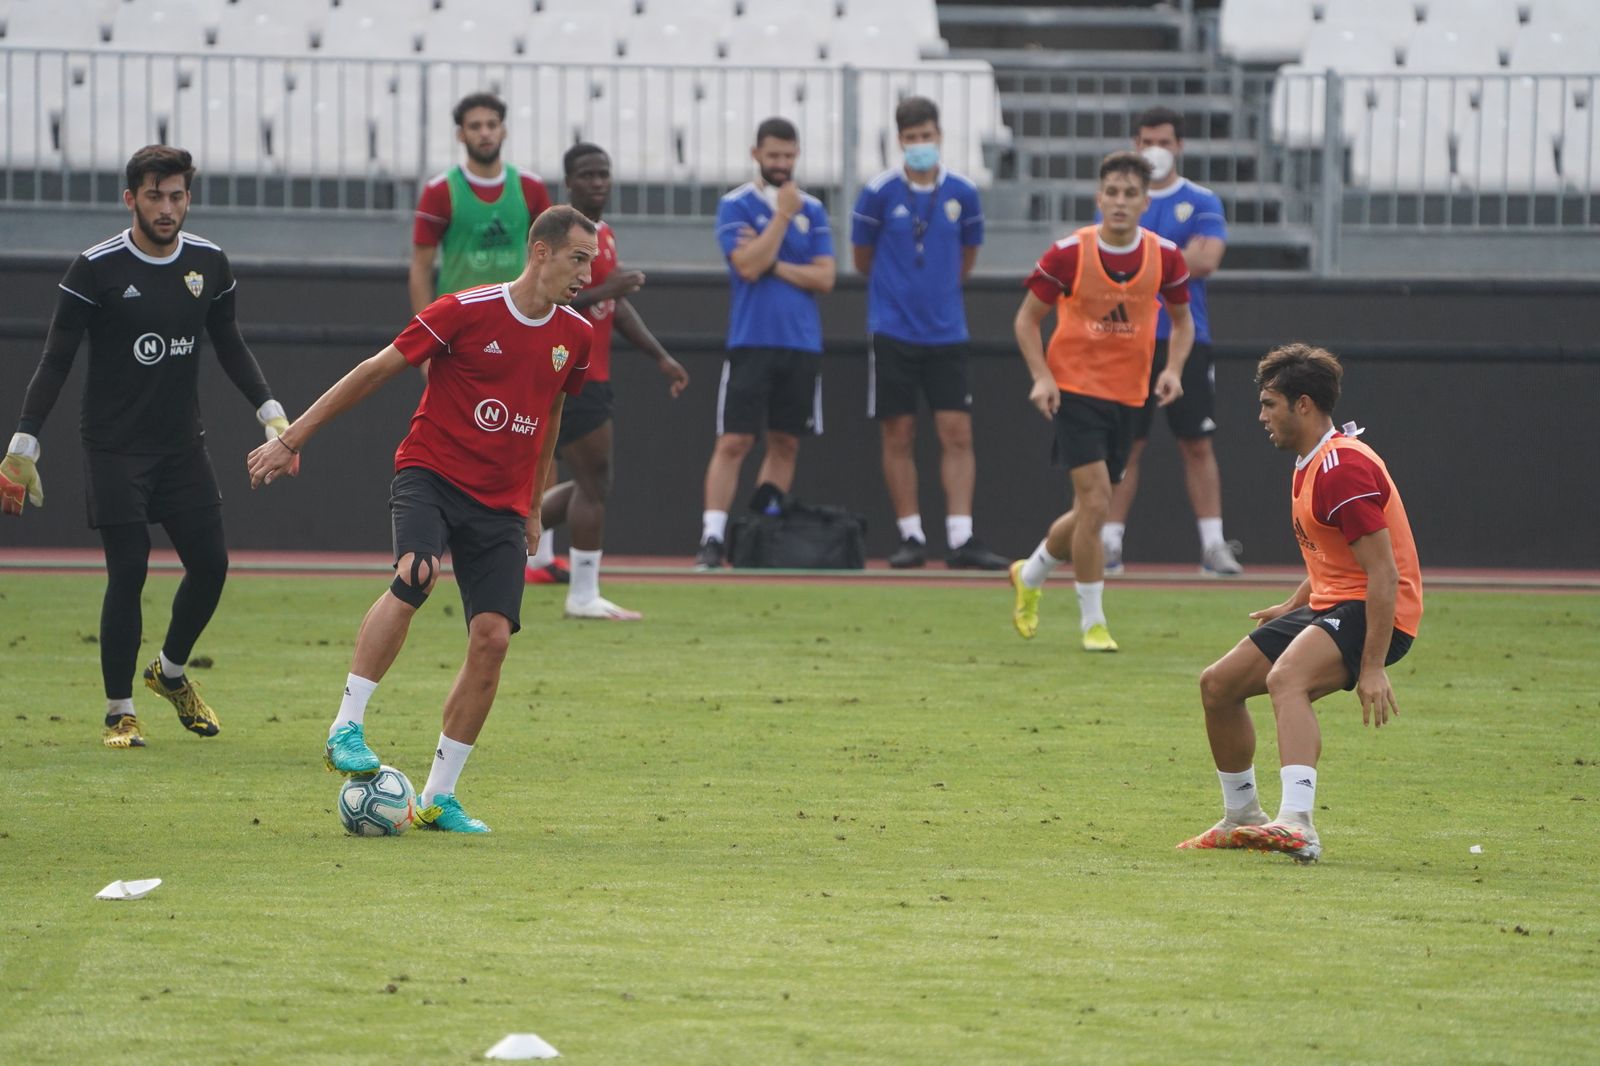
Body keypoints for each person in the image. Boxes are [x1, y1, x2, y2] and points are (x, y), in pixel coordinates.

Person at [247, 206, 597, 833]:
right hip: (431, 474)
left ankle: (437, 797)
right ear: (540, 253)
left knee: (492, 640)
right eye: (578, 258)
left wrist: (533, 503)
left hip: (500, 503)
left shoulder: (578, 334)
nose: (586, 273)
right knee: (415, 574)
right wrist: (291, 439)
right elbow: (373, 372)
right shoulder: (463, 309)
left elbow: (550, 417)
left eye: (591, 261)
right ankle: (345, 727)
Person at [1, 145, 292, 749]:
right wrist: (23, 445)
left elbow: (230, 343)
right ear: (130, 198)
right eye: (155, 195)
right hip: (113, 447)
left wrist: (272, 414)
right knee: (128, 569)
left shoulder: (210, 263)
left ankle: (171, 672)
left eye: (178, 195)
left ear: (189, 197)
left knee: (211, 565)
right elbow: (55, 360)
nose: (168, 207)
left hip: (181, 446)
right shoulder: (95, 268)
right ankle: (119, 712)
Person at [1179, 343, 1422, 863]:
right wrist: (1293, 605)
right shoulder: (1311, 461)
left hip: (1382, 611)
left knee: (1286, 680)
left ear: (1303, 405)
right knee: (1218, 685)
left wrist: (1373, 665)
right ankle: (1242, 816)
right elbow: (1333, 560)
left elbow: (1383, 575)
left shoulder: (1342, 470)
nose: (1262, 415)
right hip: (1335, 603)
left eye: (1270, 403)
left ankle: (1298, 824)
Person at [1008, 151, 1193, 653]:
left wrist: (1172, 369)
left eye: (1130, 194)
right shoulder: (1068, 253)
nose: (1119, 202)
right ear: (1099, 197)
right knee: (1095, 505)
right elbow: (1026, 319)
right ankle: (1093, 621)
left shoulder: (1166, 256)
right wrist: (1042, 377)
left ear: (1144, 201)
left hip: (1130, 396)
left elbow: (1182, 321)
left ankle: (1032, 572)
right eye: (1111, 192)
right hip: (1075, 391)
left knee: (1090, 510)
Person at [407, 93, 564, 581]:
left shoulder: (532, 189)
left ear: (504, 129)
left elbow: (551, 254)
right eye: (474, 125)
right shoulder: (441, 191)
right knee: (453, 438)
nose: (484, 133)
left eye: (492, 124)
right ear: (460, 134)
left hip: (521, 330)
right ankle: (442, 540)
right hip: (461, 338)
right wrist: (424, 345)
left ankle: (540, 552)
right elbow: (420, 268)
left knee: (534, 432)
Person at [850, 96, 1008, 571]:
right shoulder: (876, 192)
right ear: (900, 140)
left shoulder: (964, 192)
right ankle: (911, 533)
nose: (921, 145)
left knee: (956, 432)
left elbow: (966, 259)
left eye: (928, 136)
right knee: (899, 431)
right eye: (912, 138)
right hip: (893, 328)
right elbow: (861, 261)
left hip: (946, 331)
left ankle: (961, 536)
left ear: (940, 136)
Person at [532, 142, 690, 619]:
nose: (598, 182)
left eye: (604, 174)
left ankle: (507, 527)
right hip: (565, 371)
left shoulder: (605, 235)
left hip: (590, 371)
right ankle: (582, 594)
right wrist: (609, 288)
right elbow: (546, 300)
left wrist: (660, 356)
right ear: (569, 182)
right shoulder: (557, 234)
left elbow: (613, 308)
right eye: (588, 174)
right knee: (595, 482)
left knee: (589, 481)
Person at [1101, 106, 1242, 577]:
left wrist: (1140, 260)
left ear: (1179, 146)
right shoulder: (1123, 201)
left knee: (1196, 442)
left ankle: (1213, 545)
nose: (1154, 150)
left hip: (1185, 336)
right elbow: (1106, 259)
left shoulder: (1201, 200)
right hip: (1127, 336)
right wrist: (1172, 258)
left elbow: (1206, 260)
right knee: (1127, 444)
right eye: (1145, 141)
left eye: (1163, 141)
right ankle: (1109, 543)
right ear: (1134, 145)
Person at [694, 116, 836, 570]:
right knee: (734, 439)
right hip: (752, 339)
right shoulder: (736, 205)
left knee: (785, 442)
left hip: (802, 344)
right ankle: (712, 537)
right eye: (773, 155)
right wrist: (781, 218)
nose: (782, 164)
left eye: (789, 156)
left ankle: (757, 532)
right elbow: (747, 266)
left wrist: (774, 261)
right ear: (756, 154)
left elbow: (826, 276)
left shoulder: (813, 208)